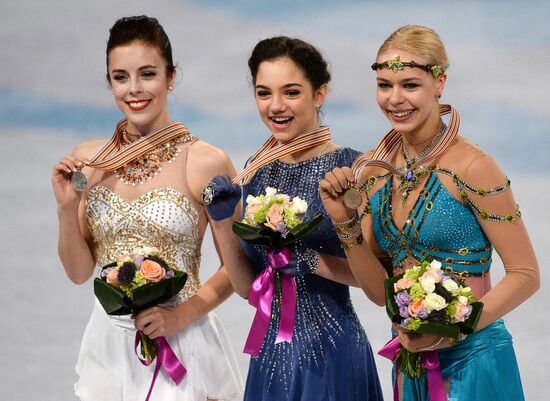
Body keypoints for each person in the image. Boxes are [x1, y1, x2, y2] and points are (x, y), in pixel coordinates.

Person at [319, 25, 540, 401]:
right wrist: (345, 223)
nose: (395, 99)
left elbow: (526, 275)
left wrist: (454, 329)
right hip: (409, 363)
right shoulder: (372, 171)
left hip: (474, 361)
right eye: (385, 85)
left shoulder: (473, 167)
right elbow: (377, 292)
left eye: (410, 84)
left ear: (439, 83)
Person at [51, 15, 243, 401]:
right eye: (121, 77)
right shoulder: (90, 161)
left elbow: (237, 269)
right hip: (108, 350)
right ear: (110, 83)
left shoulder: (205, 161)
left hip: (185, 344)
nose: (134, 89)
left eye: (148, 74)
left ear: (171, 77)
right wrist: (65, 211)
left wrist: (180, 317)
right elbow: (78, 272)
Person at [204, 36, 383, 401]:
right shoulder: (256, 175)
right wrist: (222, 223)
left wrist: (313, 261)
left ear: (320, 94)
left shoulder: (352, 169)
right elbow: (247, 287)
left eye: (291, 92)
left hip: (332, 353)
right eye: (264, 93)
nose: (276, 106)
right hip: (270, 357)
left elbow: (378, 281)